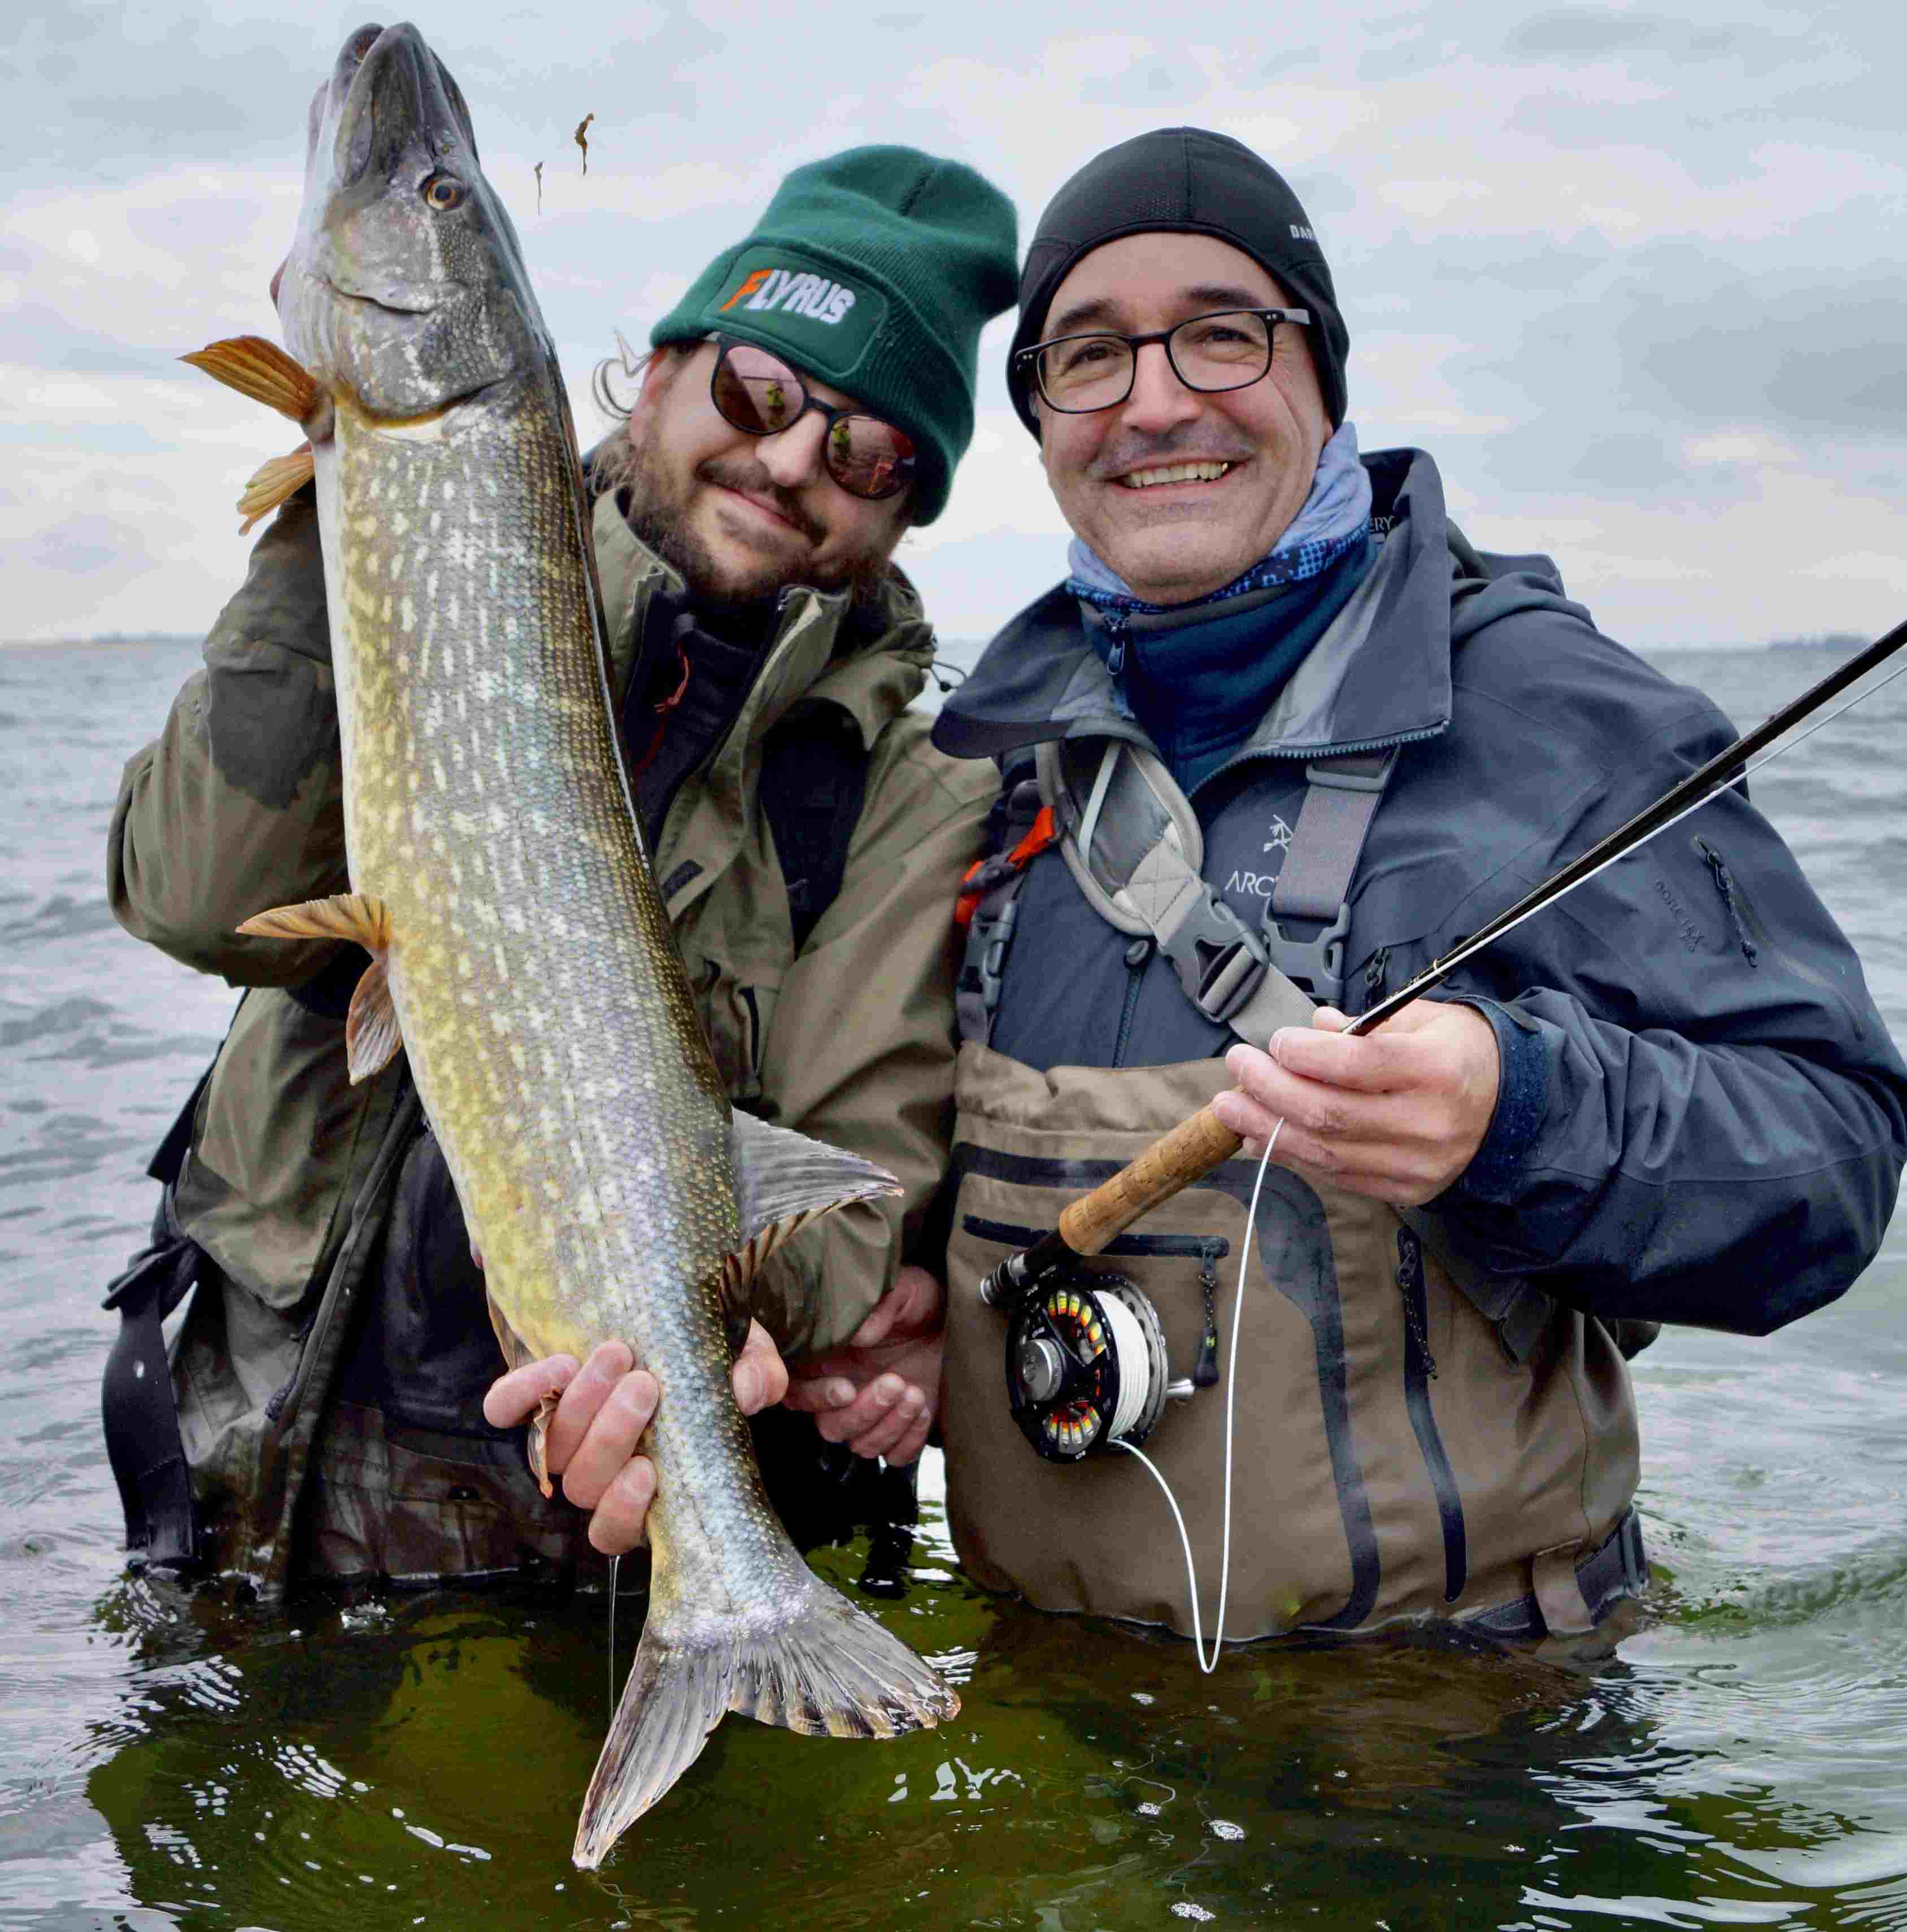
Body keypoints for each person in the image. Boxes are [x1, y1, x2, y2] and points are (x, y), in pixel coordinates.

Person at [902, 127, 1907, 1646]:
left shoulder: (1564, 715)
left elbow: (1834, 1160)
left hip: (1457, 1746)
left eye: (1221, 334)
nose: (1157, 398)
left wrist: (1522, 1109)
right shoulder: (974, 775)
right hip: (1054, 1715)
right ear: (1037, 419)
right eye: (1090, 355)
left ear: (1326, 375)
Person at [103, 146, 1016, 1596]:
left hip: (578, 1545)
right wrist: (337, 492)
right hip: (248, 1499)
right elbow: (192, 895)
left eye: (863, 451)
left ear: (901, 515)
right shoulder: (413, 561)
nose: (787, 461)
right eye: (759, 392)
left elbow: (854, 1196)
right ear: (656, 375)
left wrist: (715, 1328)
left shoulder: (903, 800)